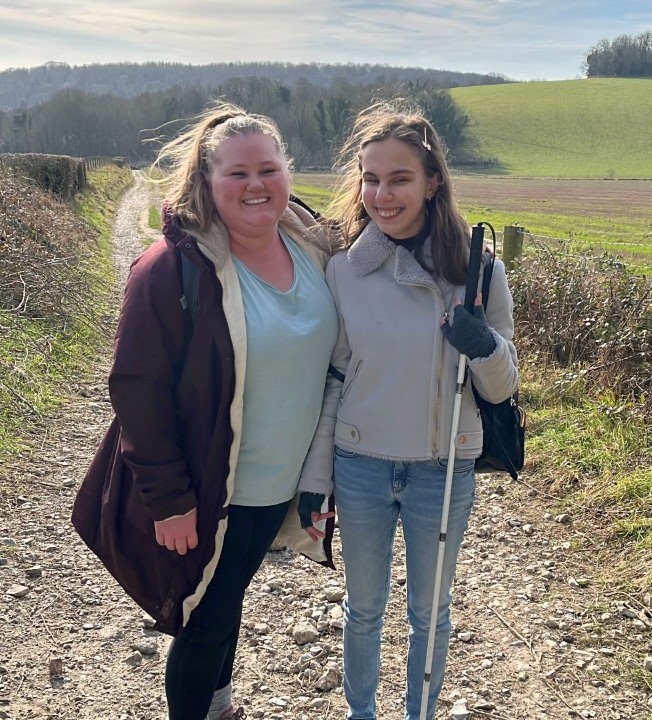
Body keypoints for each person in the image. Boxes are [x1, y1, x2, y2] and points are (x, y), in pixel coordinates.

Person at [72, 103, 338, 720]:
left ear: (288, 174)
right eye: (237, 173)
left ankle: (220, 707)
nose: (255, 185)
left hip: (277, 484)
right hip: (210, 489)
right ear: (207, 182)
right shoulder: (170, 269)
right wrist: (168, 499)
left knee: (225, 603)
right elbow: (138, 390)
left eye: (268, 169)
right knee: (204, 621)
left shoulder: (315, 249)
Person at [303, 103, 519, 720]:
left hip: (442, 468)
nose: (382, 194)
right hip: (362, 464)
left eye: (399, 178)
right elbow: (335, 376)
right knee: (363, 608)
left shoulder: (477, 272)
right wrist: (317, 480)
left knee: (431, 610)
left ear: (432, 183)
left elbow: (504, 388)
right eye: (371, 178)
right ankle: (360, 714)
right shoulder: (343, 269)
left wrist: (482, 346)